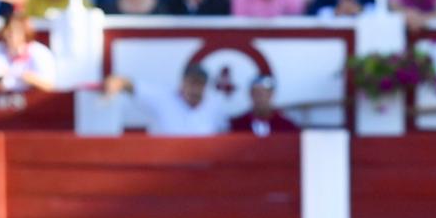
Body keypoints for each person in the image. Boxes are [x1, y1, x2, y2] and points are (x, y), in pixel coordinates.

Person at [103, 63, 235, 135]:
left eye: (200, 84)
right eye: (192, 83)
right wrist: (116, 82)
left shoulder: (215, 108)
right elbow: (129, 85)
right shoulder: (162, 98)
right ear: (183, 83)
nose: (195, 89)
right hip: (165, 168)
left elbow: (222, 139)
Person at [0, 12, 56, 92]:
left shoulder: (40, 52)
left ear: (25, 31)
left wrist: (26, 77)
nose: (9, 34)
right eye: (7, 30)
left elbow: (50, 86)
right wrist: (0, 79)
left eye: (14, 31)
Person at [230, 73, 298, 134]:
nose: (260, 97)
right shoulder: (238, 125)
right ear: (251, 95)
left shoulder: (286, 126)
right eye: (256, 93)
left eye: (264, 93)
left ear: (271, 94)